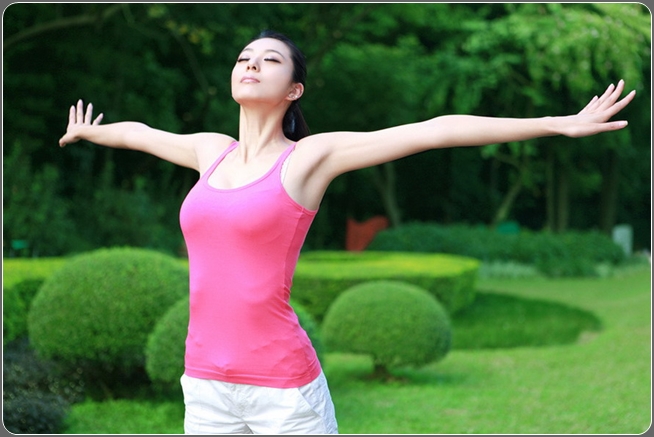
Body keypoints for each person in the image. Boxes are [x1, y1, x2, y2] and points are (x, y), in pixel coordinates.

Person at [58, 30, 635, 435]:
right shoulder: (211, 152)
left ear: (294, 89)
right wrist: (91, 133)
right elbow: (140, 134)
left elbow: (434, 130)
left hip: (283, 390)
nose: (251, 64)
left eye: (269, 60)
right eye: (243, 58)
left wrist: (556, 124)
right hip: (205, 381)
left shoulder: (309, 158)